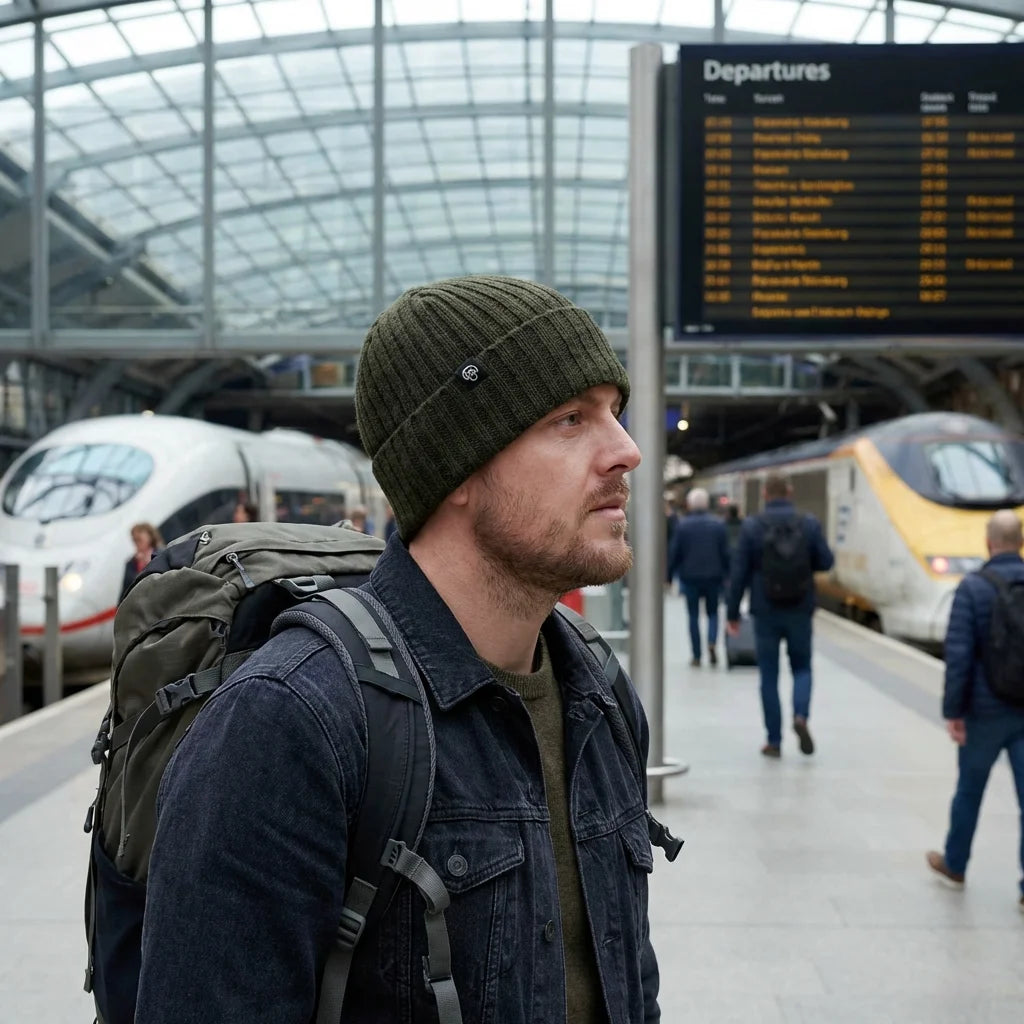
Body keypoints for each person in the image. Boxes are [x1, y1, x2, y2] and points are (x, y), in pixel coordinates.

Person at [136, 275, 661, 1023]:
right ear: (455, 470)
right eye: (571, 418)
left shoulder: (598, 691)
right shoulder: (291, 722)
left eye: (616, 412)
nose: (627, 451)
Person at [926, 509, 1024, 910]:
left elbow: (960, 655)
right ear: (1019, 543)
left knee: (969, 791)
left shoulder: (972, 588)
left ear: (988, 543)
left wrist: (954, 712)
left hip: (983, 713)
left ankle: (956, 865)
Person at [726, 472, 833, 757]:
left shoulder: (752, 526)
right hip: (800, 608)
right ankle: (801, 716)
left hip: (765, 611)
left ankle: (773, 741)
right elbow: (826, 561)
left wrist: (733, 613)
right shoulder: (808, 524)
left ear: (764, 495)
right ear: (789, 492)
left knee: (769, 676)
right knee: (802, 668)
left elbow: (738, 574)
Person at [667, 487, 729, 667]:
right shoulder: (718, 525)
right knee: (712, 613)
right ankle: (712, 642)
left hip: (690, 577)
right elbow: (725, 553)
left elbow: (675, 552)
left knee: (693, 615)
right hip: (713, 577)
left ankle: (696, 655)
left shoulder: (683, 525)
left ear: (690, 505)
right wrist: (728, 575)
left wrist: (670, 576)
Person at [120, 522, 163, 602]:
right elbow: (125, 591)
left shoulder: (162, 554)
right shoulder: (131, 563)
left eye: (139, 539)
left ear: (150, 536)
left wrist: (147, 563)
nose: (137, 543)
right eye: (135, 540)